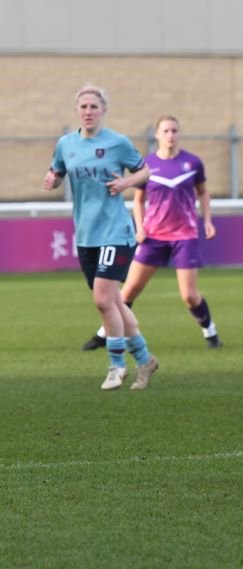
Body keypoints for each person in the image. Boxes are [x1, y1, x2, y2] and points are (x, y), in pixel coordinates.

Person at [44, 84, 160, 390]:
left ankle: (116, 365)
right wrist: (52, 179)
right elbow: (56, 172)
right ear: (76, 111)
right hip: (86, 235)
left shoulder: (117, 143)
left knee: (102, 301)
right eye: (83, 107)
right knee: (115, 302)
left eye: (94, 107)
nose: (88, 112)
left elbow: (145, 172)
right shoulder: (66, 144)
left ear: (103, 110)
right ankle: (146, 360)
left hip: (116, 232)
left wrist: (126, 183)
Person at [80, 115, 223, 351]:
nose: (171, 135)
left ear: (180, 134)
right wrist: (141, 227)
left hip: (184, 236)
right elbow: (139, 201)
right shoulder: (147, 166)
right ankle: (104, 333)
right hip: (153, 237)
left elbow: (203, 193)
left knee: (189, 295)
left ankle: (211, 332)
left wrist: (208, 221)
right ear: (157, 135)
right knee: (129, 290)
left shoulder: (193, 163)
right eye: (166, 131)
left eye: (174, 130)